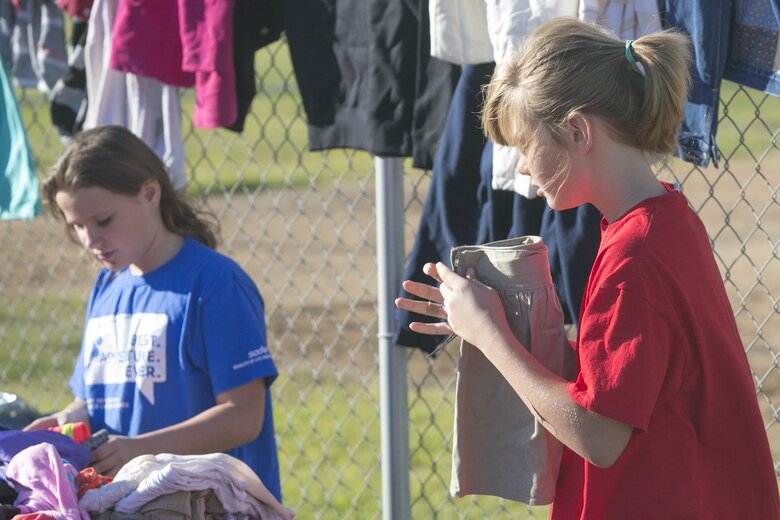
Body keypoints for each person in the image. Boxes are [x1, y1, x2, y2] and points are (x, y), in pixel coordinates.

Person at [396, 18, 780, 519]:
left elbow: (599, 435)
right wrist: (501, 324)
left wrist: (493, 337)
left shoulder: (634, 256)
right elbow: (635, 380)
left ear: (577, 131)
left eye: (526, 146)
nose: (525, 169)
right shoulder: (661, 223)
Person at [24, 125, 283, 503]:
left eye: (103, 221)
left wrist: (141, 451)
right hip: (129, 505)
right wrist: (70, 420)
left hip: (212, 507)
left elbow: (243, 416)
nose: (89, 240)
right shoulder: (107, 286)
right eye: (77, 226)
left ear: (149, 193)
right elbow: (95, 399)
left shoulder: (215, 284)